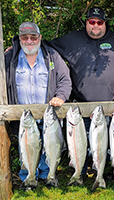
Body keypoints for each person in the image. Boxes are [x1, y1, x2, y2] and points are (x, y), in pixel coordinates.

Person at [46, 6, 114, 178]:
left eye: (99, 22)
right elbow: (46, 46)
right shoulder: (72, 40)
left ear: (105, 23)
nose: (95, 26)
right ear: (86, 22)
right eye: (92, 22)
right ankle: (79, 171)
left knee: (107, 144)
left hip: (109, 106)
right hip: (80, 106)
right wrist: (18, 48)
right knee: (80, 143)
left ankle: (105, 172)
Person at [4, 22, 72, 191]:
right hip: (23, 118)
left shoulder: (52, 56)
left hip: (48, 116)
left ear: (40, 37)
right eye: (25, 37)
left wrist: (61, 96)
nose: (29, 41)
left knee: (50, 147)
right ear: (19, 39)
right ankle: (28, 178)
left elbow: (65, 80)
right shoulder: (9, 58)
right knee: (25, 149)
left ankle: (49, 176)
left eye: (33, 37)